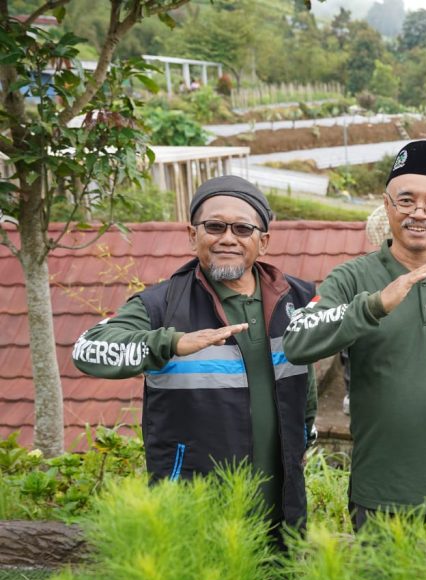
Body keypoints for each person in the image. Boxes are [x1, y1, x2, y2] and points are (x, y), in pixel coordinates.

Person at [283, 140, 426, 531]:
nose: (418, 213)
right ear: (387, 206)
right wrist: (373, 305)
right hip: (382, 490)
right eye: (406, 201)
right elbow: (297, 341)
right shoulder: (353, 278)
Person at [73, 176, 317, 542]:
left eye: (242, 229)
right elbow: (87, 348)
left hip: (281, 504)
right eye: (214, 226)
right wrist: (170, 342)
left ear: (263, 241)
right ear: (192, 235)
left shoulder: (297, 299)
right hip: (194, 505)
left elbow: (306, 378)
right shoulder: (161, 305)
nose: (228, 238)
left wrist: (304, 434)